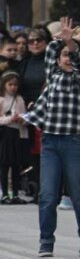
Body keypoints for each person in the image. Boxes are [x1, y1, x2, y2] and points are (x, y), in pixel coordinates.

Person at [18, 19, 80, 256]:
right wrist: (60, 39)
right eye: (64, 56)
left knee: (78, 194)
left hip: (72, 142)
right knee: (48, 195)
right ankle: (46, 241)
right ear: (57, 60)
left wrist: (71, 44)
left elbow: (79, 64)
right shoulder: (52, 76)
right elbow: (51, 51)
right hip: (50, 142)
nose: (67, 58)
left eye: (71, 55)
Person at [0, 70, 28, 203]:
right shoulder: (1, 99)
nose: (13, 87)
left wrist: (22, 120)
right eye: (10, 84)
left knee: (16, 166)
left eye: (15, 85)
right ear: (4, 84)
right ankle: (5, 193)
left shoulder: (19, 99)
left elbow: (25, 117)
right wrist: (10, 119)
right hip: (5, 135)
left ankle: (15, 193)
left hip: (18, 134)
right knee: (4, 165)